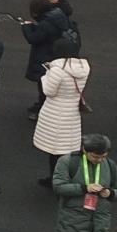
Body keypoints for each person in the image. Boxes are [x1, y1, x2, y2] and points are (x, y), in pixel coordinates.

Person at [50, 133, 114, 232]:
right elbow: (58, 187)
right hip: (73, 223)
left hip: (98, 225)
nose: (100, 160)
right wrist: (84, 188)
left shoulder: (110, 165)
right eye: (95, 157)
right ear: (84, 150)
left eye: (103, 156)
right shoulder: (68, 162)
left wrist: (110, 193)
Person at [34, 50, 92, 183]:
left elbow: (49, 91)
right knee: (67, 150)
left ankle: (55, 179)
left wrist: (46, 76)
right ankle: (65, 178)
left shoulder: (56, 70)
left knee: (54, 150)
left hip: (55, 112)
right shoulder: (84, 68)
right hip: (72, 112)